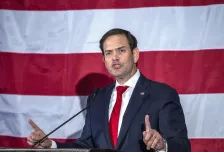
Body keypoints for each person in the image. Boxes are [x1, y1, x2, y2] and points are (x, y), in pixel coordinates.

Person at [27, 28, 191, 152]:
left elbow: (182, 146)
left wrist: (162, 145)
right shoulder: (97, 98)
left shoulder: (162, 94)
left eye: (121, 50)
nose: (115, 58)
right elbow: (86, 145)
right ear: (104, 60)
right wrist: (52, 145)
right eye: (108, 53)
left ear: (135, 54)